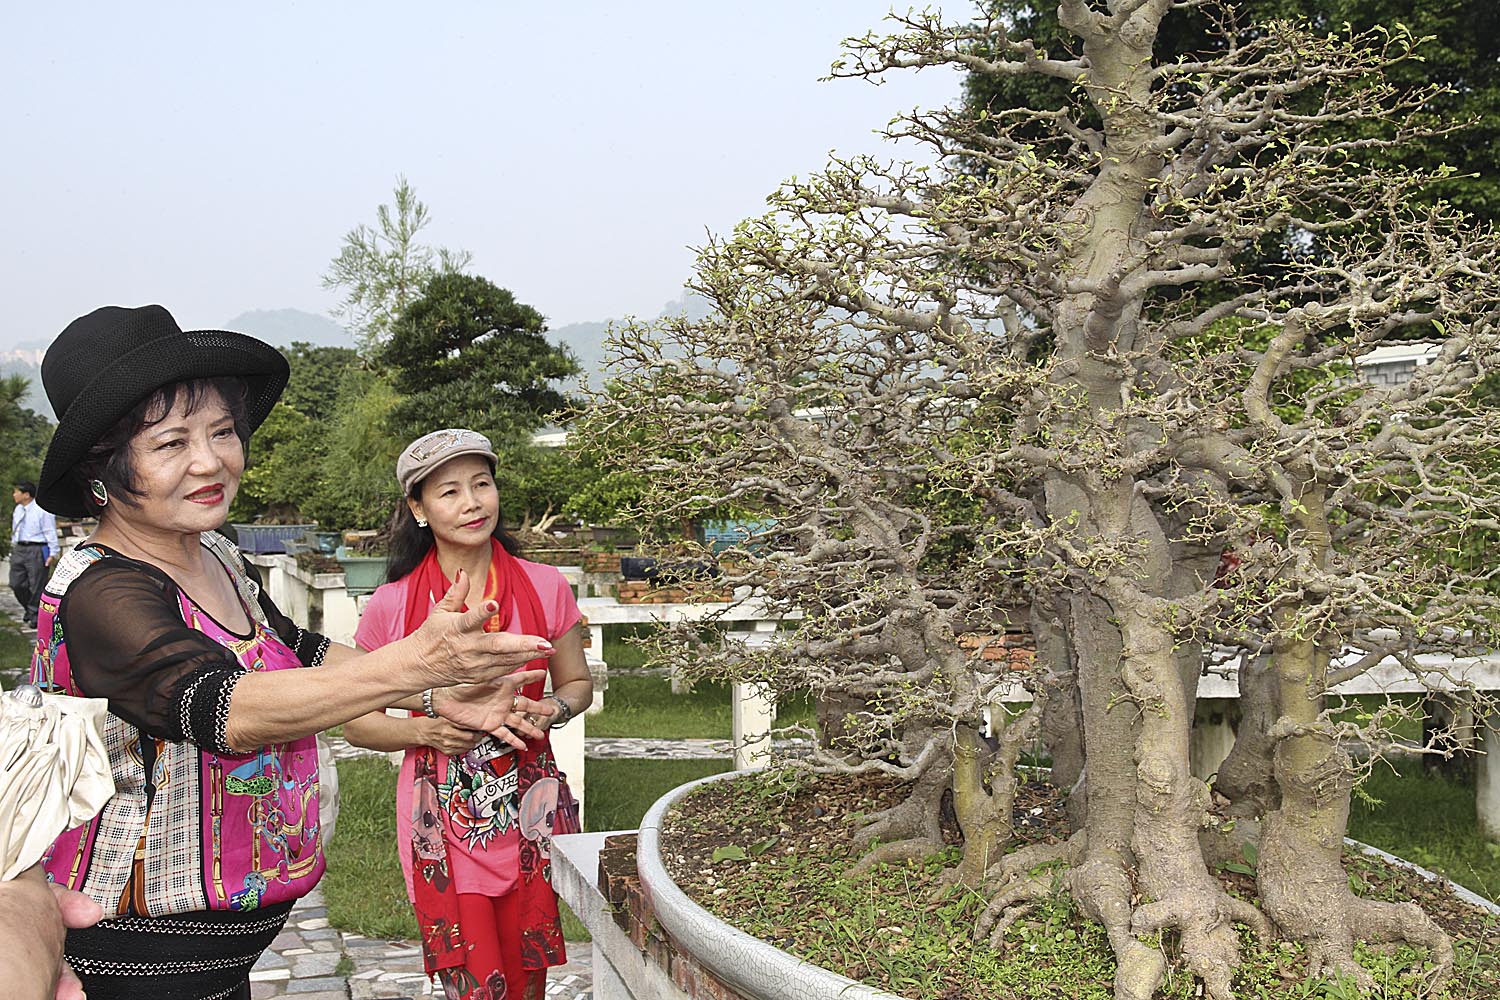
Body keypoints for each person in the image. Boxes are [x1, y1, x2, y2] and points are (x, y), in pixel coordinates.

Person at [28, 305, 557, 1000]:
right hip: (137, 956)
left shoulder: (215, 554)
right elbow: (223, 708)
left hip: (223, 954)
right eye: (170, 443)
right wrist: (415, 664)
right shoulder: (101, 591)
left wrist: (433, 693)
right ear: (103, 470)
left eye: (222, 431)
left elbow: (296, 650)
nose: (211, 461)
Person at [344, 428, 592, 1000]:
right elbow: (357, 722)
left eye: (481, 484)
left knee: (527, 980)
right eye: (449, 491)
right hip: (442, 821)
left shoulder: (545, 586)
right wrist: (432, 728)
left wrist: (551, 708)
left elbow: (576, 684)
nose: (472, 503)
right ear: (419, 509)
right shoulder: (393, 605)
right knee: (475, 985)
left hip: (529, 810)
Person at [10, 480, 59, 628]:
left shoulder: (41, 510)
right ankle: (30, 609)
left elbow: (50, 531)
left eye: (16, 492)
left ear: (26, 495)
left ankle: (34, 615)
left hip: (37, 549)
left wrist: (52, 553)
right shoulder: (18, 509)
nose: (14, 495)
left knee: (37, 584)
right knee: (16, 583)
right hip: (20, 548)